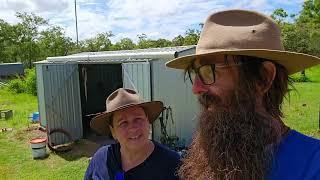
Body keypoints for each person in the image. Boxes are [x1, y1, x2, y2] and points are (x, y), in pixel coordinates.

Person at [166, 9, 320, 179]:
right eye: (195, 73)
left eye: (209, 71)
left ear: (263, 78)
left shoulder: (313, 166)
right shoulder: (209, 152)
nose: (196, 89)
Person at [85, 88, 180, 180]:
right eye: (123, 123)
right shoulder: (101, 159)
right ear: (113, 131)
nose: (133, 128)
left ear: (148, 122)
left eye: (138, 119)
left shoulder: (173, 164)